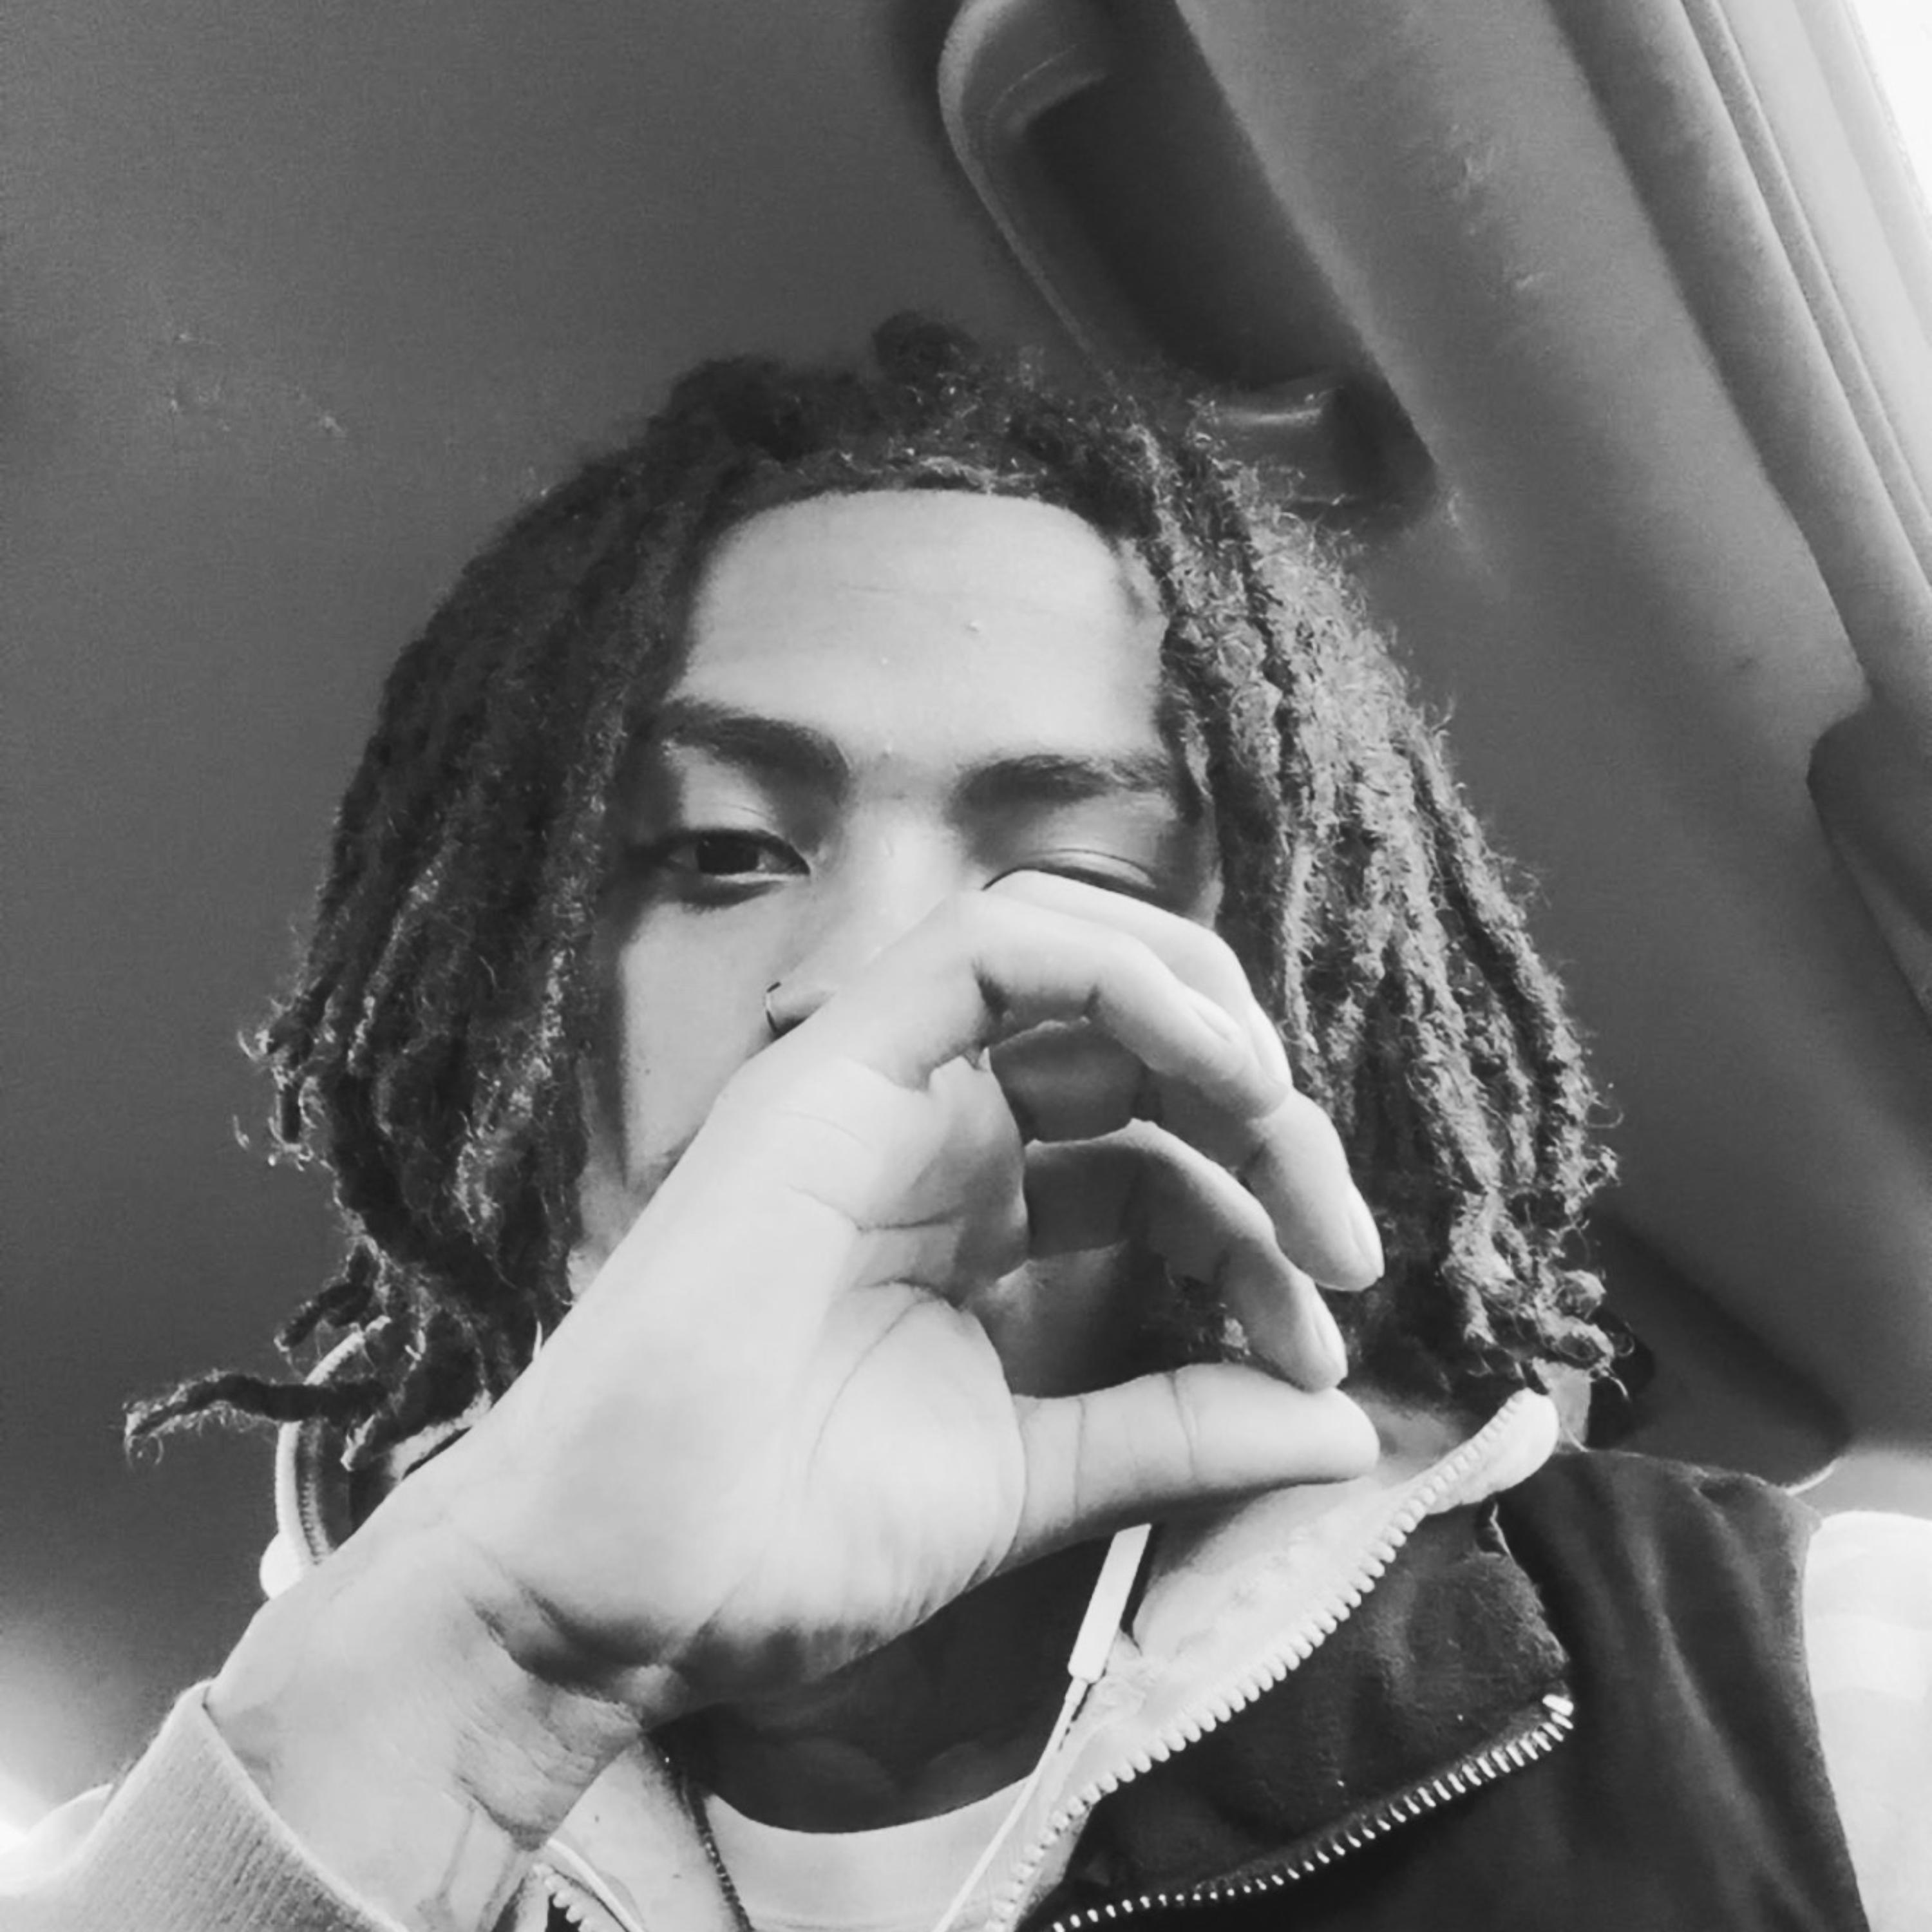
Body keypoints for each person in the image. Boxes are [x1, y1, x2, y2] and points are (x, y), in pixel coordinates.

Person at [5, 317, 1927, 1932]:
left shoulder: (1834, 1699)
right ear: (501, 997)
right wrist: (480, 1666)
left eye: (1080, 879)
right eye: (719, 853)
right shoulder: (183, 1846)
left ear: (1279, 1034)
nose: (871, 978)